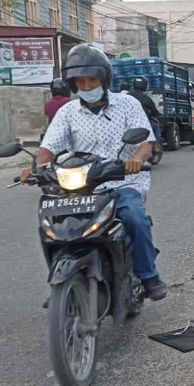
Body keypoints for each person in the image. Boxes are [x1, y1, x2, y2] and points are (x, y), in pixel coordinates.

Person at [24, 44, 168, 304]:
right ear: (73, 84)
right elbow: (48, 147)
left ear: (104, 79)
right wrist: (37, 168)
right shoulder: (67, 112)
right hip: (82, 186)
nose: (88, 86)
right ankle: (63, 279)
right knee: (55, 224)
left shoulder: (127, 104)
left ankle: (148, 275)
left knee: (135, 218)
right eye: (81, 81)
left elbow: (146, 142)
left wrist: (136, 159)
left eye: (93, 80)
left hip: (123, 180)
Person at [124, 77, 163, 146]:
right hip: (143, 122)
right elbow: (154, 111)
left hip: (126, 121)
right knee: (156, 127)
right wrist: (157, 114)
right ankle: (156, 145)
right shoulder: (146, 98)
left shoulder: (126, 96)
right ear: (145, 86)